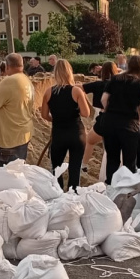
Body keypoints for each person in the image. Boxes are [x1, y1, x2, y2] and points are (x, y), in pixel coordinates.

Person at [99, 55, 140, 181]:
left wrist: (109, 110)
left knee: (112, 158)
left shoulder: (114, 79)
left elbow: (103, 99)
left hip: (109, 122)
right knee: (129, 160)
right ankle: (126, 187)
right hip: (129, 124)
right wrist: (138, 121)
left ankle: (110, 186)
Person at [40, 59, 90, 190]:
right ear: (70, 73)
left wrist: (56, 119)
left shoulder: (48, 92)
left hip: (59, 133)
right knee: (75, 168)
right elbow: (86, 113)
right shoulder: (76, 91)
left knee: (56, 169)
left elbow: (44, 115)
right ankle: (73, 196)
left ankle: (58, 194)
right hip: (76, 132)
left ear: (55, 73)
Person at [0, 53, 35, 165]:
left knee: (5, 176)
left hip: (10, 137)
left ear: (7, 66)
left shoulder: (10, 81)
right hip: (23, 133)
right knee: (17, 172)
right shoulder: (26, 80)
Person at [81, 61, 117, 174]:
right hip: (120, 117)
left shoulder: (98, 85)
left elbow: (79, 88)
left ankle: (84, 165)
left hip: (103, 115)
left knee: (90, 140)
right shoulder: (122, 85)